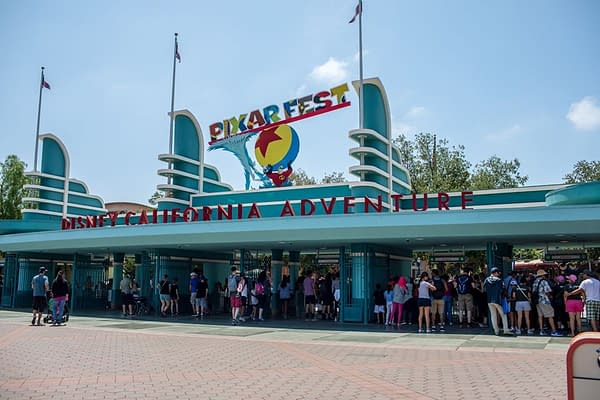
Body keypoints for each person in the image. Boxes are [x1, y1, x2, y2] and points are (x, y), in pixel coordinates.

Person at [532, 269, 561, 336]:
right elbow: (547, 291)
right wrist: (550, 297)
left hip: (537, 301)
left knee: (540, 316)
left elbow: (533, 291)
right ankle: (554, 331)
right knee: (550, 315)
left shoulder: (535, 282)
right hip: (544, 300)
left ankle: (541, 331)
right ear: (542, 275)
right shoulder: (544, 282)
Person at [483, 267, 511, 336]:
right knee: (503, 315)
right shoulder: (499, 280)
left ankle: (496, 331)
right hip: (498, 300)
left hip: (489, 300)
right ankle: (506, 330)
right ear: (495, 273)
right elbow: (503, 290)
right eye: (498, 272)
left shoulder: (486, 279)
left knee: (493, 315)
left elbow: (484, 289)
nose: (499, 274)